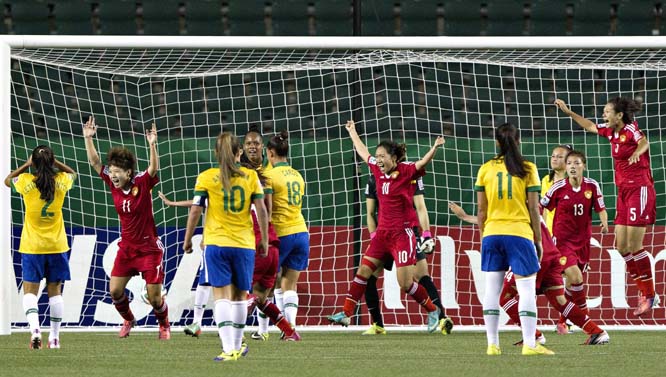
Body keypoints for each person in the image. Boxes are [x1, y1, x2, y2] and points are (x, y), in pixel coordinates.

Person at [328, 120, 444, 332]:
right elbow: (363, 152)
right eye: (378, 156)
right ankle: (346, 313)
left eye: (383, 156)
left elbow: (421, 164)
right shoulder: (376, 170)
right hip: (382, 235)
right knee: (363, 271)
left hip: (403, 235)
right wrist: (352, 132)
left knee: (406, 284)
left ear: (394, 158)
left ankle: (432, 310)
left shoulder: (407, 171)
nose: (379, 159)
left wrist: (434, 148)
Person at [449, 202, 609, 346]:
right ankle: (596, 332)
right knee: (559, 300)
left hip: (532, 253)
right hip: (551, 254)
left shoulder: (512, 204)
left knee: (504, 297)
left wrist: (464, 216)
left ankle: (533, 335)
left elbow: (493, 222)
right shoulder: (529, 201)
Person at [555, 97, 657, 316]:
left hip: (639, 189)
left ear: (619, 115)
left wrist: (638, 152)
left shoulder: (630, 129)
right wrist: (569, 112)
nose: (603, 115)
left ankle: (649, 294)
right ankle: (643, 291)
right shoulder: (610, 132)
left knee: (635, 245)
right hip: (623, 192)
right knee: (621, 246)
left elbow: (644, 141)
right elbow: (590, 125)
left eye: (607, 112)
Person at [183, 132, 269, 362]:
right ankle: (238, 346)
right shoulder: (251, 176)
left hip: (216, 243)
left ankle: (228, 348)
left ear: (215, 153)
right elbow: (261, 209)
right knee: (241, 296)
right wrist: (265, 239)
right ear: (239, 152)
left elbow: (195, 210)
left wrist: (187, 238)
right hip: (243, 244)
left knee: (220, 296)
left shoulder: (206, 177)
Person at [83, 116, 170, 340]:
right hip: (127, 249)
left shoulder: (141, 182)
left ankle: (164, 324)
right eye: (111, 171)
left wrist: (152, 144)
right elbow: (95, 163)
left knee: (154, 298)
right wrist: (88, 139)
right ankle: (129, 320)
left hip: (149, 249)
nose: (112, 175)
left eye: (117, 171)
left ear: (128, 173)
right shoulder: (112, 185)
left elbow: (153, 168)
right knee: (115, 291)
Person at [474, 122, 553, 356]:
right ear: (519, 141)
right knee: (526, 290)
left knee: (491, 289)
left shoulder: (485, 169)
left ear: (497, 143)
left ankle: (492, 345)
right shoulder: (528, 168)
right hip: (519, 233)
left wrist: (483, 237)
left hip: (492, 234)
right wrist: (538, 240)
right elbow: (533, 209)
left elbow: (481, 210)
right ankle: (530, 344)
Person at [362, 173, 454, 335]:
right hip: (384, 235)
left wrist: (426, 234)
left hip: (407, 233)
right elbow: (370, 212)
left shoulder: (411, 176)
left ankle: (442, 318)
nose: (382, 159)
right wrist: (374, 237)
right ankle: (377, 325)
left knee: (421, 276)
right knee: (368, 277)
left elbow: (420, 207)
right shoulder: (374, 178)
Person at [5, 146, 76, 349]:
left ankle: (35, 330)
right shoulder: (61, 181)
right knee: (55, 292)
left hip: (32, 246)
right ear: (52, 162)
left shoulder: (26, 182)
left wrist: (27, 165)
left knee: (30, 292)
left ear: (34, 163)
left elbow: (7, 180)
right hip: (56, 245)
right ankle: (54, 338)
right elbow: (74, 174)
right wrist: (55, 164)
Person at [541, 150, 609, 332]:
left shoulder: (592, 186)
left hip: (583, 242)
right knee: (575, 277)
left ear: (583, 166)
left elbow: (600, 208)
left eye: (576, 163)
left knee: (573, 283)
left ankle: (563, 321)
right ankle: (586, 320)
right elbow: (542, 207)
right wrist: (542, 231)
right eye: (569, 163)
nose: (572, 166)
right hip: (562, 242)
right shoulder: (557, 188)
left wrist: (604, 223)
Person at [263, 130, 309, 332]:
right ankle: (291, 326)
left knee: (264, 285)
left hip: (281, 233)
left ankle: (263, 329)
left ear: (270, 153)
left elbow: (268, 210)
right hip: (301, 232)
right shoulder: (298, 176)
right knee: (290, 284)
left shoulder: (269, 176)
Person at [157, 191, 211, 337]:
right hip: (224, 243)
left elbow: (196, 207)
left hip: (232, 243)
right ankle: (197, 323)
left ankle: (233, 326)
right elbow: (197, 204)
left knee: (230, 288)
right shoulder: (219, 185)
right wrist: (172, 203)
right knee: (206, 282)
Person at [541, 144, 573, 234]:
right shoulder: (546, 180)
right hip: (550, 233)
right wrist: (544, 232)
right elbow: (545, 209)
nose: (555, 159)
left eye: (559, 157)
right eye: (553, 156)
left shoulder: (575, 182)